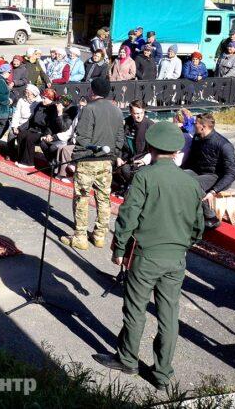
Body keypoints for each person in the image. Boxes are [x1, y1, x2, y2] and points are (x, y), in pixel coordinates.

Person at [92, 122, 204, 390]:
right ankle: (162, 373)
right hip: (176, 256)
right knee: (169, 315)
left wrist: (119, 248)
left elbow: (128, 216)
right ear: (177, 150)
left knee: (135, 309)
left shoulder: (145, 177)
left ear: (151, 148)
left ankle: (128, 359)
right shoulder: (190, 180)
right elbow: (199, 224)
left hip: (146, 255)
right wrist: (184, 244)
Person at [60, 77, 124, 251]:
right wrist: (112, 155)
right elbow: (120, 138)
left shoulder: (89, 109)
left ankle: (80, 236)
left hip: (88, 161)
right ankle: (99, 235)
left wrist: (76, 160)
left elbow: (82, 138)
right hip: (106, 162)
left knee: (82, 198)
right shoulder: (117, 111)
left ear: (92, 91)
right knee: (103, 199)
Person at [182, 112, 235, 230]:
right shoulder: (197, 138)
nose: (193, 125)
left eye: (195, 123)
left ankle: (210, 217)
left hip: (216, 176)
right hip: (198, 171)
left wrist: (213, 191)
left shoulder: (224, 145)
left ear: (203, 127)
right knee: (177, 177)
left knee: (192, 183)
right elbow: (191, 160)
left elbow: (231, 173)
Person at [114, 100, 153, 195]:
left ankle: (133, 190)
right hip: (126, 156)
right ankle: (123, 186)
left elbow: (153, 150)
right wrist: (118, 157)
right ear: (131, 113)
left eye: (141, 113)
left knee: (126, 169)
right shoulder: (127, 123)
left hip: (142, 159)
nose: (139, 116)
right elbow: (119, 142)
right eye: (135, 113)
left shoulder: (150, 125)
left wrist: (144, 160)